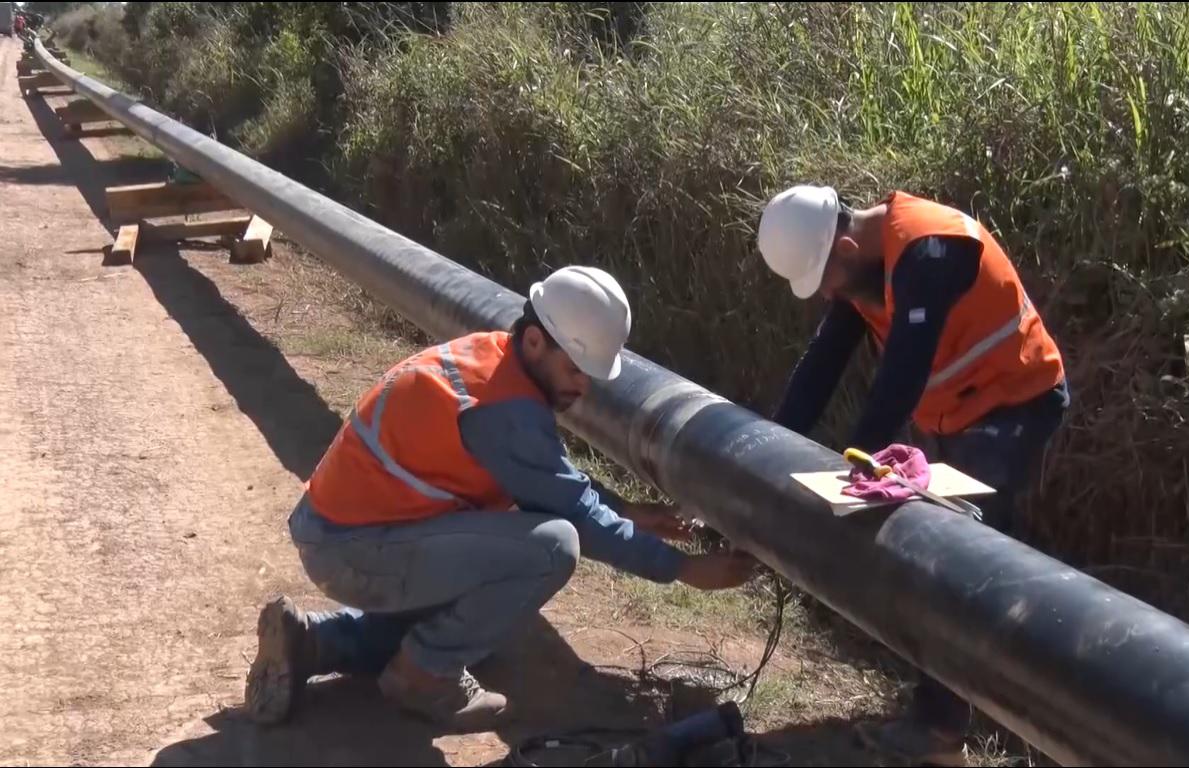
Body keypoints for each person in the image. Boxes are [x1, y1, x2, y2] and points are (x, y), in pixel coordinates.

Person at [245, 265, 757, 733]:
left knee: (479, 621)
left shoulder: (494, 359)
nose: (583, 387)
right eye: (576, 369)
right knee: (552, 546)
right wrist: (684, 569)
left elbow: (549, 479)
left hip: (350, 533)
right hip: (351, 550)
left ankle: (312, 640)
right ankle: (422, 677)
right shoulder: (503, 409)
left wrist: (627, 511)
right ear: (536, 341)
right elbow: (571, 512)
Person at [757, 186, 1070, 765]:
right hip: (962, 410)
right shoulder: (866, 265)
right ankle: (990, 687)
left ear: (846, 248)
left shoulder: (928, 253)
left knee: (958, 553)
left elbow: (897, 383)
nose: (828, 295)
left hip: (1016, 401)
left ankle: (945, 726)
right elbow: (821, 365)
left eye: (827, 281)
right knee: (975, 547)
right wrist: (765, 451)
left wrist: (850, 472)